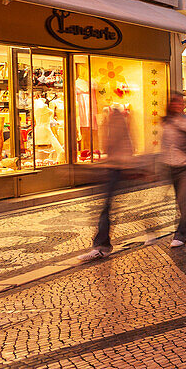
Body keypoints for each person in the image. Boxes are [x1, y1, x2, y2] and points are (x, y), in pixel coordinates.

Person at [79, 105, 138, 261]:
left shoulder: (118, 126)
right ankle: (102, 244)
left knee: (106, 208)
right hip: (112, 169)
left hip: (116, 170)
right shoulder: (111, 125)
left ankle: (102, 246)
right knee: (106, 208)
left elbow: (124, 149)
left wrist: (122, 164)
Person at [159, 91, 186, 248]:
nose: (178, 104)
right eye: (175, 102)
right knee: (180, 201)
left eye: (181, 102)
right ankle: (185, 227)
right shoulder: (167, 122)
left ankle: (181, 234)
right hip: (170, 167)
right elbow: (164, 145)